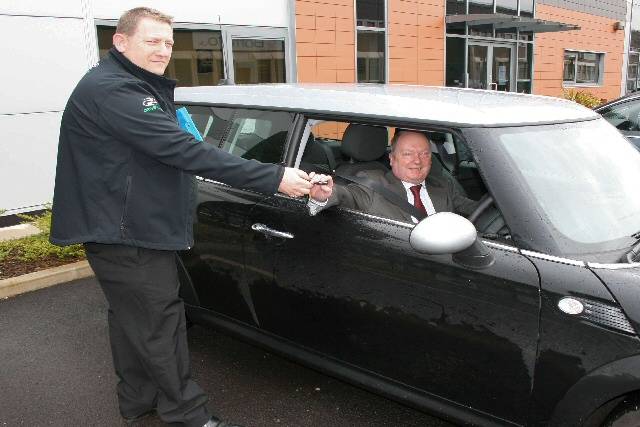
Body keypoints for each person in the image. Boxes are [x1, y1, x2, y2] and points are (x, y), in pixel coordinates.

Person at [49, 7, 314, 427]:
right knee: (160, 324)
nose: (163, 51)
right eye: (152, 41)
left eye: (168, 43)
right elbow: (185, 151)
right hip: (128, 233)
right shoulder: (118, 91)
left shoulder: (127, 85)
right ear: (120, 41)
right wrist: (275, 177)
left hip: (125, 227)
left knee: (132, 320)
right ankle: (188, 415)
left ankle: (138, 401)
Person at [308, 129, 477, 222]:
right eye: (408, 154)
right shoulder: (372, 183)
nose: (417, 161)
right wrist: (325, 194)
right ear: (392, 158)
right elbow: (346, 195)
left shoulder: (443, 186)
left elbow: (476, 210)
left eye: (424, 154)